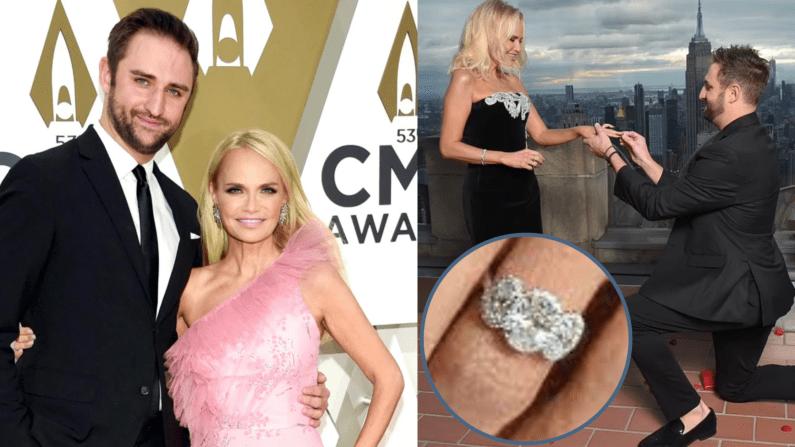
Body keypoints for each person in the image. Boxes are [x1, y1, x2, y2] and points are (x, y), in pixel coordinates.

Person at [0, 8, 327, 447]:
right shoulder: (43, 183)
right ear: (106, 74)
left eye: (175, 91)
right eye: (142, 81)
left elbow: (221, 327)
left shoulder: (183, 209)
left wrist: (292, 383)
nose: (156, 106)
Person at [583, 45, 795, 447]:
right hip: (759, 283)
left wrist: (611, 153)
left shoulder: (729, 152)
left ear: (732, 93)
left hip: (736, 290)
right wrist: (643, 159)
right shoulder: (751, 140)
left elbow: (657, 206)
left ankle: (694, 416)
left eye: (709, 85)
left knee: (627, 319)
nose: (701, 93)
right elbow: (690, 195)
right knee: (738, 384)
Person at [164, 129, 404, 446]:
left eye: (267, 190)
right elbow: (168, 392)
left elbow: (389, 377)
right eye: (236, 190)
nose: (252, 206)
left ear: (285, 198)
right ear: (215, 195)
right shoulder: (188, 289)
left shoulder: (315, 281)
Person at [439, 0, 619, 244]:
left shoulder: (514, 82)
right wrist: (506, 157)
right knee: (496, 270)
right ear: (489, 35)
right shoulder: (464, 79)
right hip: (487, 193)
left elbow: (542, 134)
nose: (518, 48)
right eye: (511, 39)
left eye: (521, 41)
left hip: (525, 188)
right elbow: (448, 146)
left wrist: (579, 130)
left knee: (530, 266)